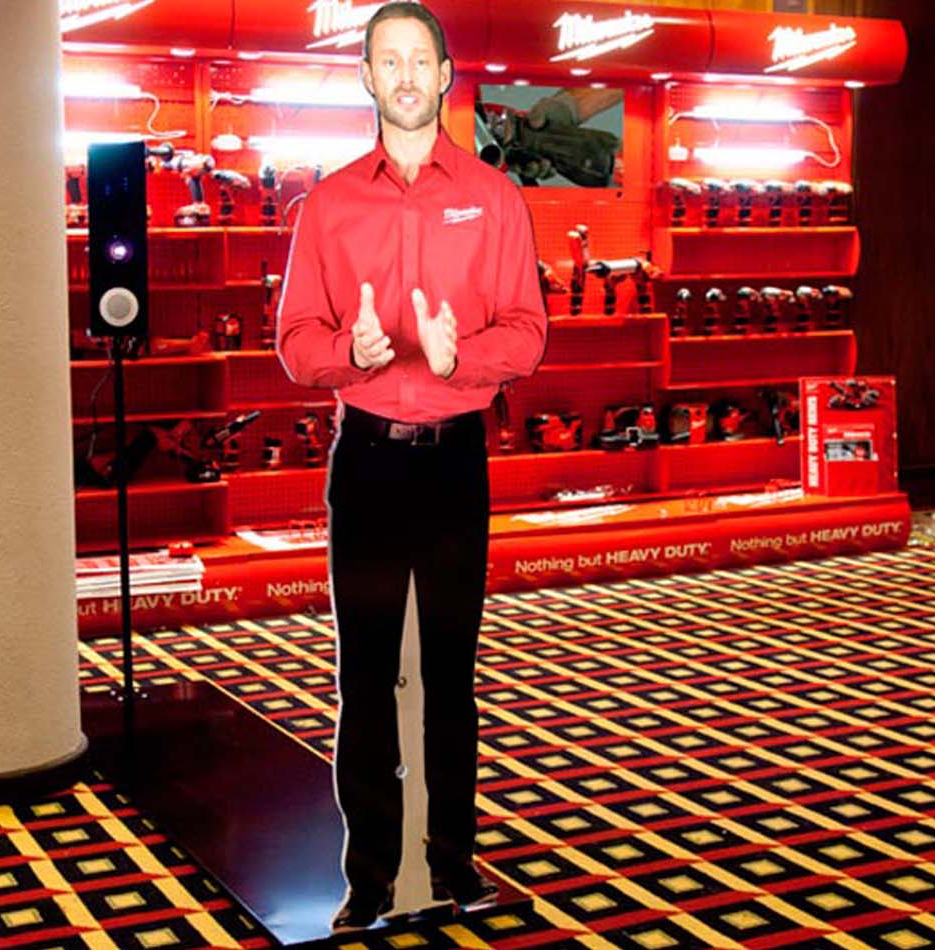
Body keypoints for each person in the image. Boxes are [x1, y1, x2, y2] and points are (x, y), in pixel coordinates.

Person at [273, 1, 548, 933]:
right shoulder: (328, 205)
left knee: (451, 678)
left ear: (444, 75)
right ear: (366, 76)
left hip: (454, 466)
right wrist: (349, 355)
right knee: (363, 679)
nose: (404, 75)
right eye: (386, 59)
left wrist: (456, 358)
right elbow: (294, 339)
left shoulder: (495, 197)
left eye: (419, 59)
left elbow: (528, 330)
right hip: (367, 468)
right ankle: (371, 877)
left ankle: (454, 860)